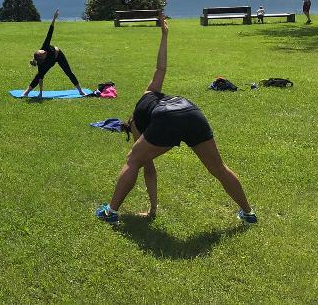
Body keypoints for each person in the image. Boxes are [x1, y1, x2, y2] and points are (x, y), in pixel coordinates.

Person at [95, 15, 257, 225]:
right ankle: (248, 213)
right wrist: (164, 35)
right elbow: (161, 68)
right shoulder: (149, 92)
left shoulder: (135, 124)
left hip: (167, 117)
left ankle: (110, 212)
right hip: (191, 110)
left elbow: (148, 169)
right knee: (219, 168)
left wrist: (153, 208)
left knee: (132, 160)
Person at [21, 9, 86, 98]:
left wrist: (54, 18)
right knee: (39, 75)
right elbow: (40, 78)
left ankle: (80, 91)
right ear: (42, 59)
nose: (43, 51)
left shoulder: (44, 46)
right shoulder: (41, 65)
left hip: (58, 55)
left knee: (68, 72)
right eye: (42, 53)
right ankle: (26, 92)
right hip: (50, 62)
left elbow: (50, 32)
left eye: (41, 51)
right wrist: (40, 93)